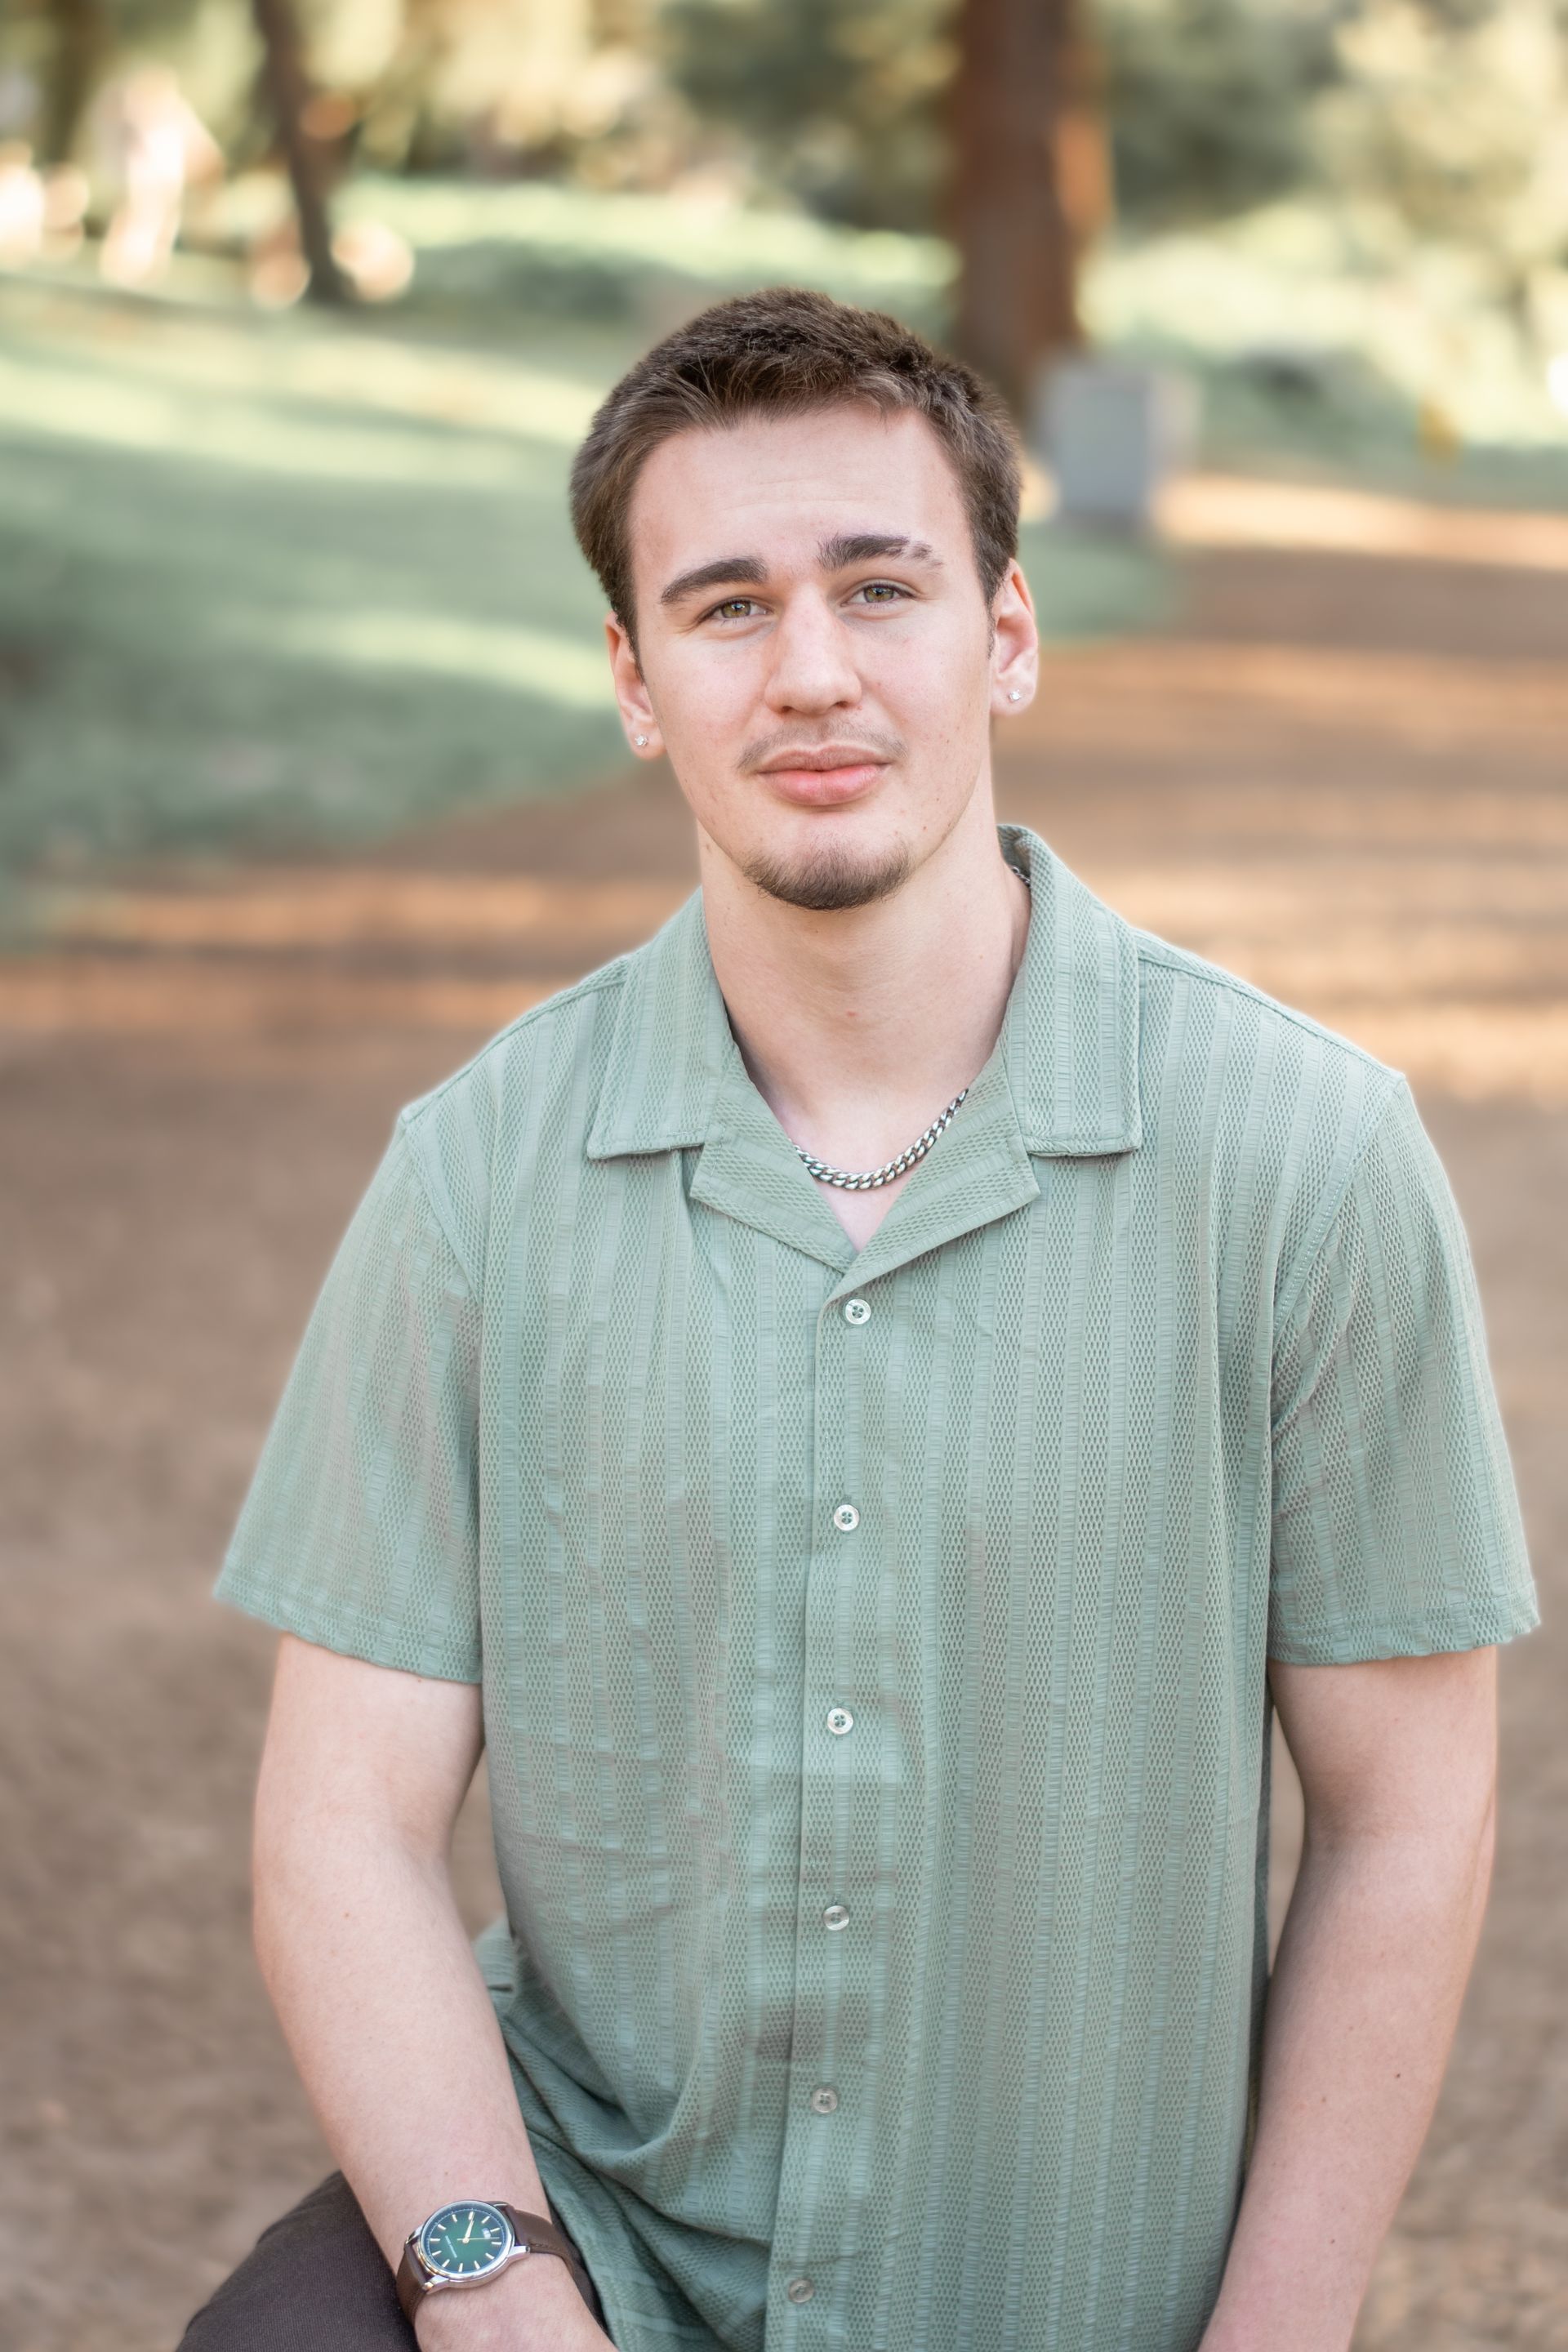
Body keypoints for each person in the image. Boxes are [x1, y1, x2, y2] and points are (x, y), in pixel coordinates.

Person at [184, 287, 1539, 2352]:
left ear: (1008, 634)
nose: (809, 671)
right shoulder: (476, 1176)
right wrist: (491, 2286)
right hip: (596, 2239)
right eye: (725, 608)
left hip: (1071, 2289)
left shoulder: (1304, 1158)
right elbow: (341, 1824)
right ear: (636, 683)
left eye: (879, 588)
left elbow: (1408, 1818)